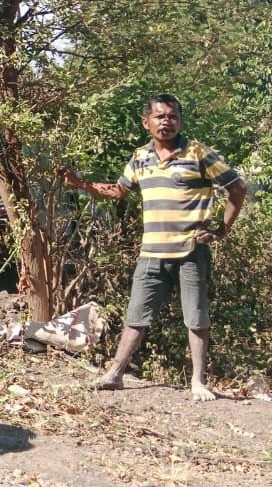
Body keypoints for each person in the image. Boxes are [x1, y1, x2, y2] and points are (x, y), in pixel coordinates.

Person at [61, 94, 246, 402]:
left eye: (172, 116)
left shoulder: (198, 153)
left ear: (180, 121)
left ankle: (198, 382)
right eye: (160, 117)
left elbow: (237, 187)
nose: (166, 122)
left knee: (196, 317)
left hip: (190, 251)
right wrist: (81, 184)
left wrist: (221, 230)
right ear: (146, 122)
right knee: (136, 315)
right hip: (151, 252)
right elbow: (120, 190)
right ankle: (114, 374)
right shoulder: (140, 157)